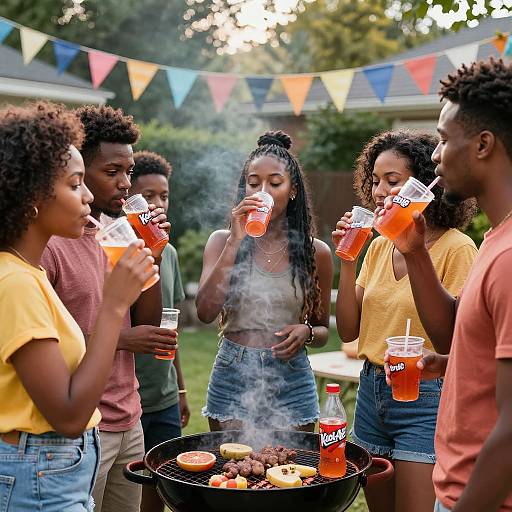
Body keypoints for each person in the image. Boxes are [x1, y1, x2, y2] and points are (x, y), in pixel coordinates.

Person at [0, 101, 156, 511]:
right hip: (38, 476)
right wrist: (114, 306)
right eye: (74, 184)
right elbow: (68, 417)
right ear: (32, 196)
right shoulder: (15, 282)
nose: (87, 195)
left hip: (56, 468)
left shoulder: (25, 274)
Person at [381, 58, 512, 512]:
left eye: (441, 139)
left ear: (482, 145)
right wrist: (414, 252)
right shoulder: (495, 239)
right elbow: (452, 331)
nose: (434, 156)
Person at [333, 130, 478, 512]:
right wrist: (347, 264)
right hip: (371, 391)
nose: (379, 191)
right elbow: (348, 330)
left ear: (422, 187)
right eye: (375, 180)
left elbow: (454, 336)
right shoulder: (379, 246)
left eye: (392, 181)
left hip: (425, 396)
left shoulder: (457, 248)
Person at [40, 105, 175, 512]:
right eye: (111, 172)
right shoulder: (48, 246)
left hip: (128, 415)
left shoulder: (113, 233)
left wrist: (152, 252)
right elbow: (44, 342)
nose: (125, 184)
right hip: (78, 426)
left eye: (128, 172)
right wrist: (122, 338)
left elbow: (147, 322)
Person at [196, 130, 333, 432]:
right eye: (254, 183)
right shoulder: (222, 242)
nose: (263, 191)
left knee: (292, 471)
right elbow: (205, 312)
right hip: (234, 370)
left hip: (291, 374)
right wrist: (235, 242)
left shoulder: (316, 253)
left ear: (292, 190)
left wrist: (307, 331)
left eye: (275, 183)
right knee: (235, 470)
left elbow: (323, 329)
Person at [129, 150, 189, 512]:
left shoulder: (171, 254)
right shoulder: (115, 250)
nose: (157, 203)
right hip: (128, 400)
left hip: (164, 398)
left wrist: (180, 388)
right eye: (147, 195)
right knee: (127, 493)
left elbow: (172, 325)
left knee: (160, 491)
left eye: (163, 195)